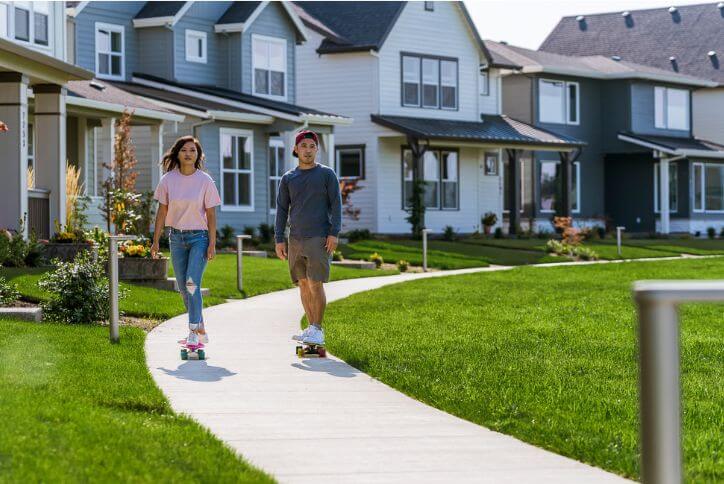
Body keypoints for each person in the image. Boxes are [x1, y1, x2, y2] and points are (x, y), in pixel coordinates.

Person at [150, 135, 221, 346]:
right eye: (184, 150)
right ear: (177, 153)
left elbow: (211, 215)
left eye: (193, 150)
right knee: (183, 287)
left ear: (198, 155)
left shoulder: (205, 181)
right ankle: (200, 329)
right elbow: (161, 213)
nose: (188, 154)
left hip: (199, 237)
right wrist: (155, 241)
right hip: (176, 238)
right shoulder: (168, 180)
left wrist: (212, 244)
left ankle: (192, 331)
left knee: (192, 283)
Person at [275, 130, 342, 345]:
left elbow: (336, 204)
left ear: (316, 150)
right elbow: (282, 210)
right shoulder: (288, 178)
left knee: (315, 283)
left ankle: (317, 328)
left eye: (312, 146)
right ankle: (311, 328)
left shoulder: (326, 174)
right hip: (295, 239)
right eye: (303, 145)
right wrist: (279, 239)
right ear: (296, 149)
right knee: (303, 284)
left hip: (319, 238)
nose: (308, 150)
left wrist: (334, 232)